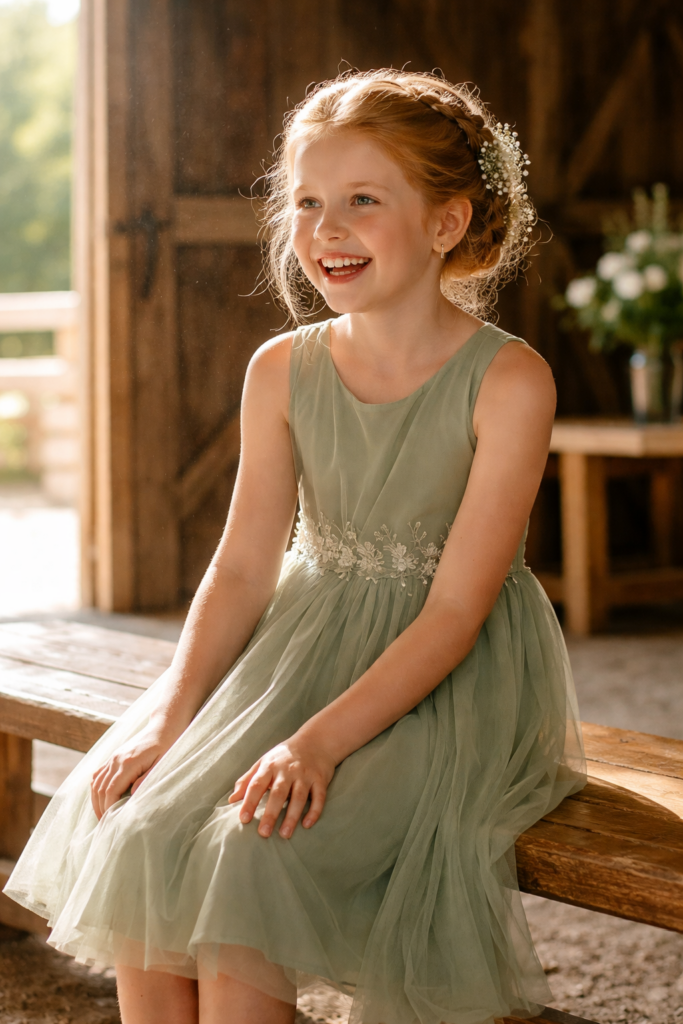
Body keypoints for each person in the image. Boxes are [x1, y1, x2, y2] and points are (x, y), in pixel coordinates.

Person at [5, 69, 585, 1024]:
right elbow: (240, 566)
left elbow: (454, 611)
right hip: (300, 647)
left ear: (447, 223)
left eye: (363, 200)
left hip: (445, 674)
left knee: (251, 856)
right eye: (309, 203)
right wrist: (169, 715)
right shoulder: (282, 369)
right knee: (142, 831)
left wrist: (313, 746)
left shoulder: (509, 382)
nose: (326, 229)